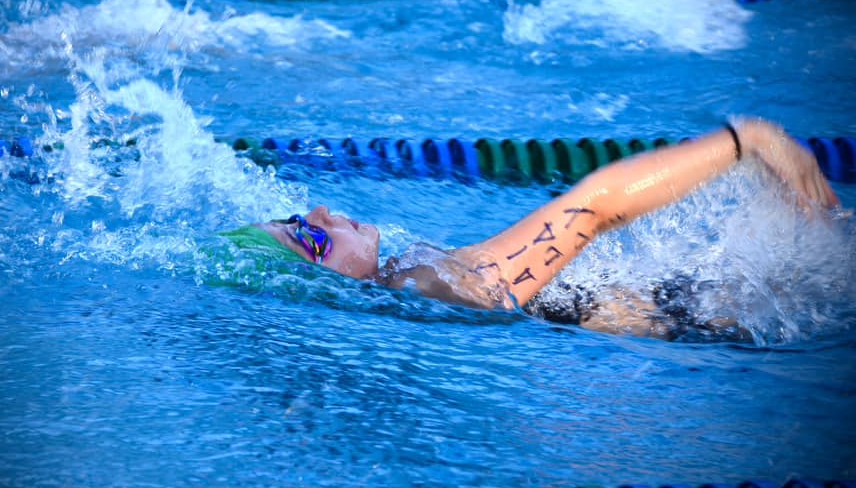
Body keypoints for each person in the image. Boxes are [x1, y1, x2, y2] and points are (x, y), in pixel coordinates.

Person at [224, 118, 841, 338]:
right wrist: (746, 141)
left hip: (698, 306)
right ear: (326, 281)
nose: (321, 214)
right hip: (711, 314)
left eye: (298, 217)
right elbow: (593, 208)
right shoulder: (429, 284)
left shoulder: (405, 279)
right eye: (308, 237)